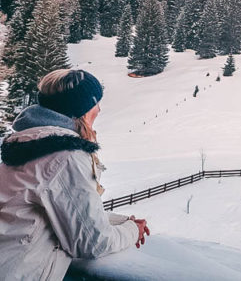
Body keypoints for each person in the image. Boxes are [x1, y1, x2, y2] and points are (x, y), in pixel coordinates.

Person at [0, 69, 149, 280]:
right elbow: (92, 242)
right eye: (96, 103)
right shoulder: (64, 157)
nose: (99, 109)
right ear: (83, 109)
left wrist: (122, 221)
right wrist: (132, 231)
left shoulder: (29, 145)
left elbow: (59, 210)